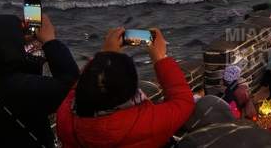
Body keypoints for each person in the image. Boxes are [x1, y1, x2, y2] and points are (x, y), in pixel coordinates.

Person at [56, 27, 200, 148]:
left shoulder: (65, 117)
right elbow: (184, 101)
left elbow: (78, 88)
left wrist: (105, 58)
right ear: (132, 91)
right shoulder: (148, 123)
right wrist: (160, 57)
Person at [0, 12, 79, 146]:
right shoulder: (25, 90)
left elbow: (2, 63)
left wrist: (18, 44)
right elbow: (70, 81)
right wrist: (50, 41)